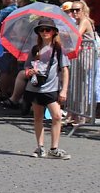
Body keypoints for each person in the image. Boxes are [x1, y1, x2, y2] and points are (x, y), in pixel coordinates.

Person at [25, 17, 71, 159]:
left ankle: (54, 148)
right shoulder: (35, 49)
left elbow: (65, 70)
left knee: (57, 116)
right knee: (38, 117)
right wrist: (29, 72)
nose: (44, 32)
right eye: (41, 30)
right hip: (35, 87)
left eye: (48, 30)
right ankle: (40, 147)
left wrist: (64, 90)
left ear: (53, 32)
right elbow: (26, 67)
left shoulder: (58, 49)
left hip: (51, 87)